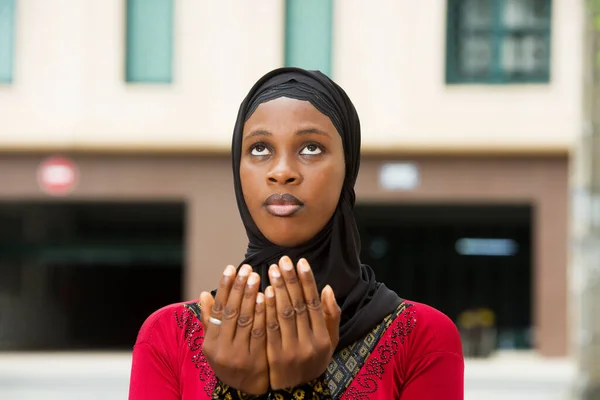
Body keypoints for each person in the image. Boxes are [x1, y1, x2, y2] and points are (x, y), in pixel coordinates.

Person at [128, 67, 464, 400]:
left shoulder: (422, 337)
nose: (282, 172)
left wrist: (300, 391)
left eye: (311, 148)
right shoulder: (170, 336)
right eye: (260, 149)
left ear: (348, 168)